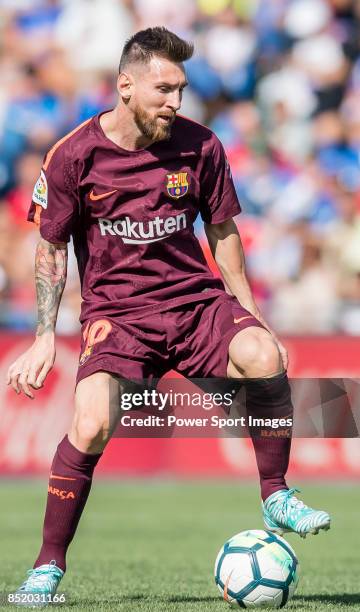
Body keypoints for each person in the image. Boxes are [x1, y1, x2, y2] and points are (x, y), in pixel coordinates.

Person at [7, 27, 330, 602]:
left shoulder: (201, 145)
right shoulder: (74, 156)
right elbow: (51, 249)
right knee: (90, 423)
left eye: (180, 89)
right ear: (125, 86)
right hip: (119, 315)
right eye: (164, 89)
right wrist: (41, 337)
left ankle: (277, 493)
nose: (175, 102)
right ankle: (47, 567)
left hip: (194, 303)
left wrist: (250, 312)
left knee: (261, 354)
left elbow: (223, 228)